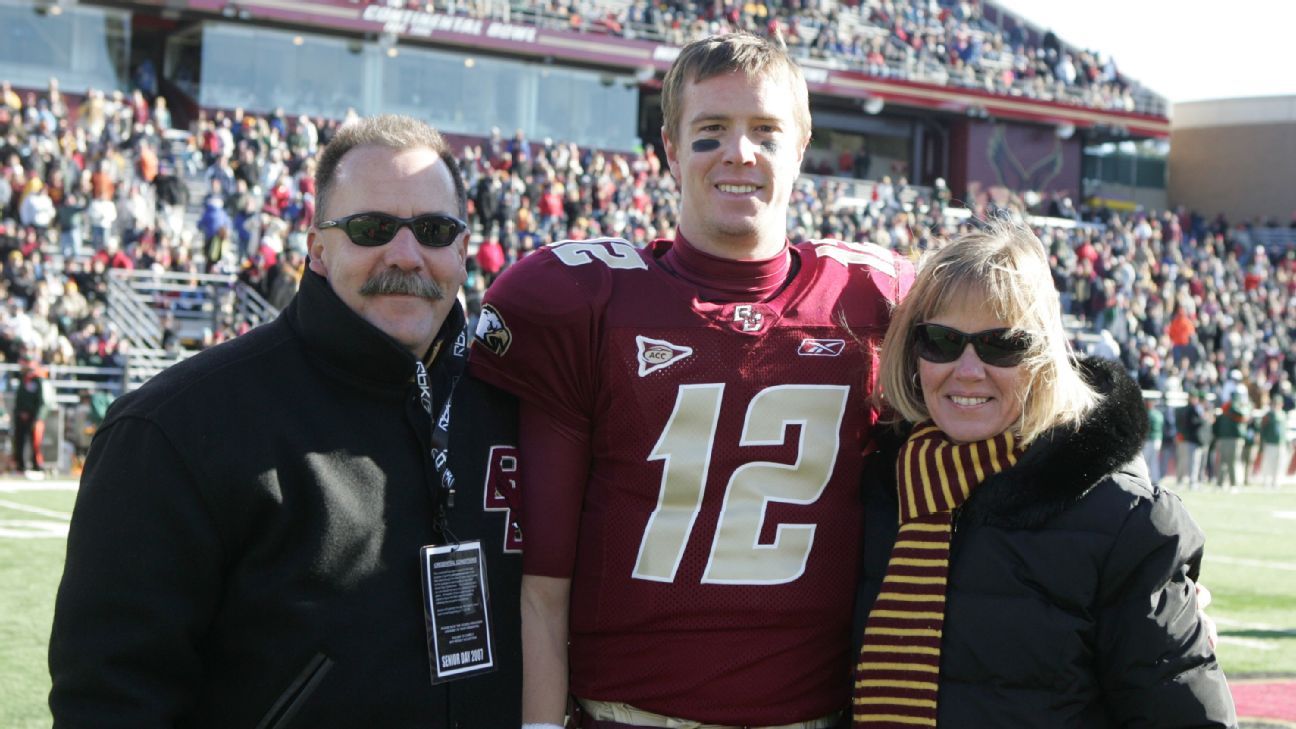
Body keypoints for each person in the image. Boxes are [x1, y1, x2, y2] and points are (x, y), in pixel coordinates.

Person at [470, 32, 914, 728]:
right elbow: (543, 586)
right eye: (711, 132)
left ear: (801, 147)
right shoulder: (580, 298)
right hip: (626, 711)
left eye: (765, 130)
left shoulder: (876, 300)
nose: (739, 152)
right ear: (671, 150)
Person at [49, 115, 522, 728]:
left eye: (434, 230)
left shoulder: (514, 404)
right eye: (371, 228)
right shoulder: (173, 429)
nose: (406, 254)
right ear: (318, 249)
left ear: (462, 250)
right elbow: (111, 700)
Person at [855, 223, 1235, 727]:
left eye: (1002, 344)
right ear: (912, 351)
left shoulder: (1127, 522)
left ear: (1044, 358)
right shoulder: (879, 492)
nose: (967, 369)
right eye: (942, 340)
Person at [11, 349, 51, 479]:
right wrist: (19, 413)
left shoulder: (39, 379)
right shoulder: (24, 378)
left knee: (36, 442)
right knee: (20, 441)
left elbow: (44, 401)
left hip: (34, 417)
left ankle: (37, 466)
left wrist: (38, 418)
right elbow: (19, 400)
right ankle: (20, 466)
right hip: (22, 417)